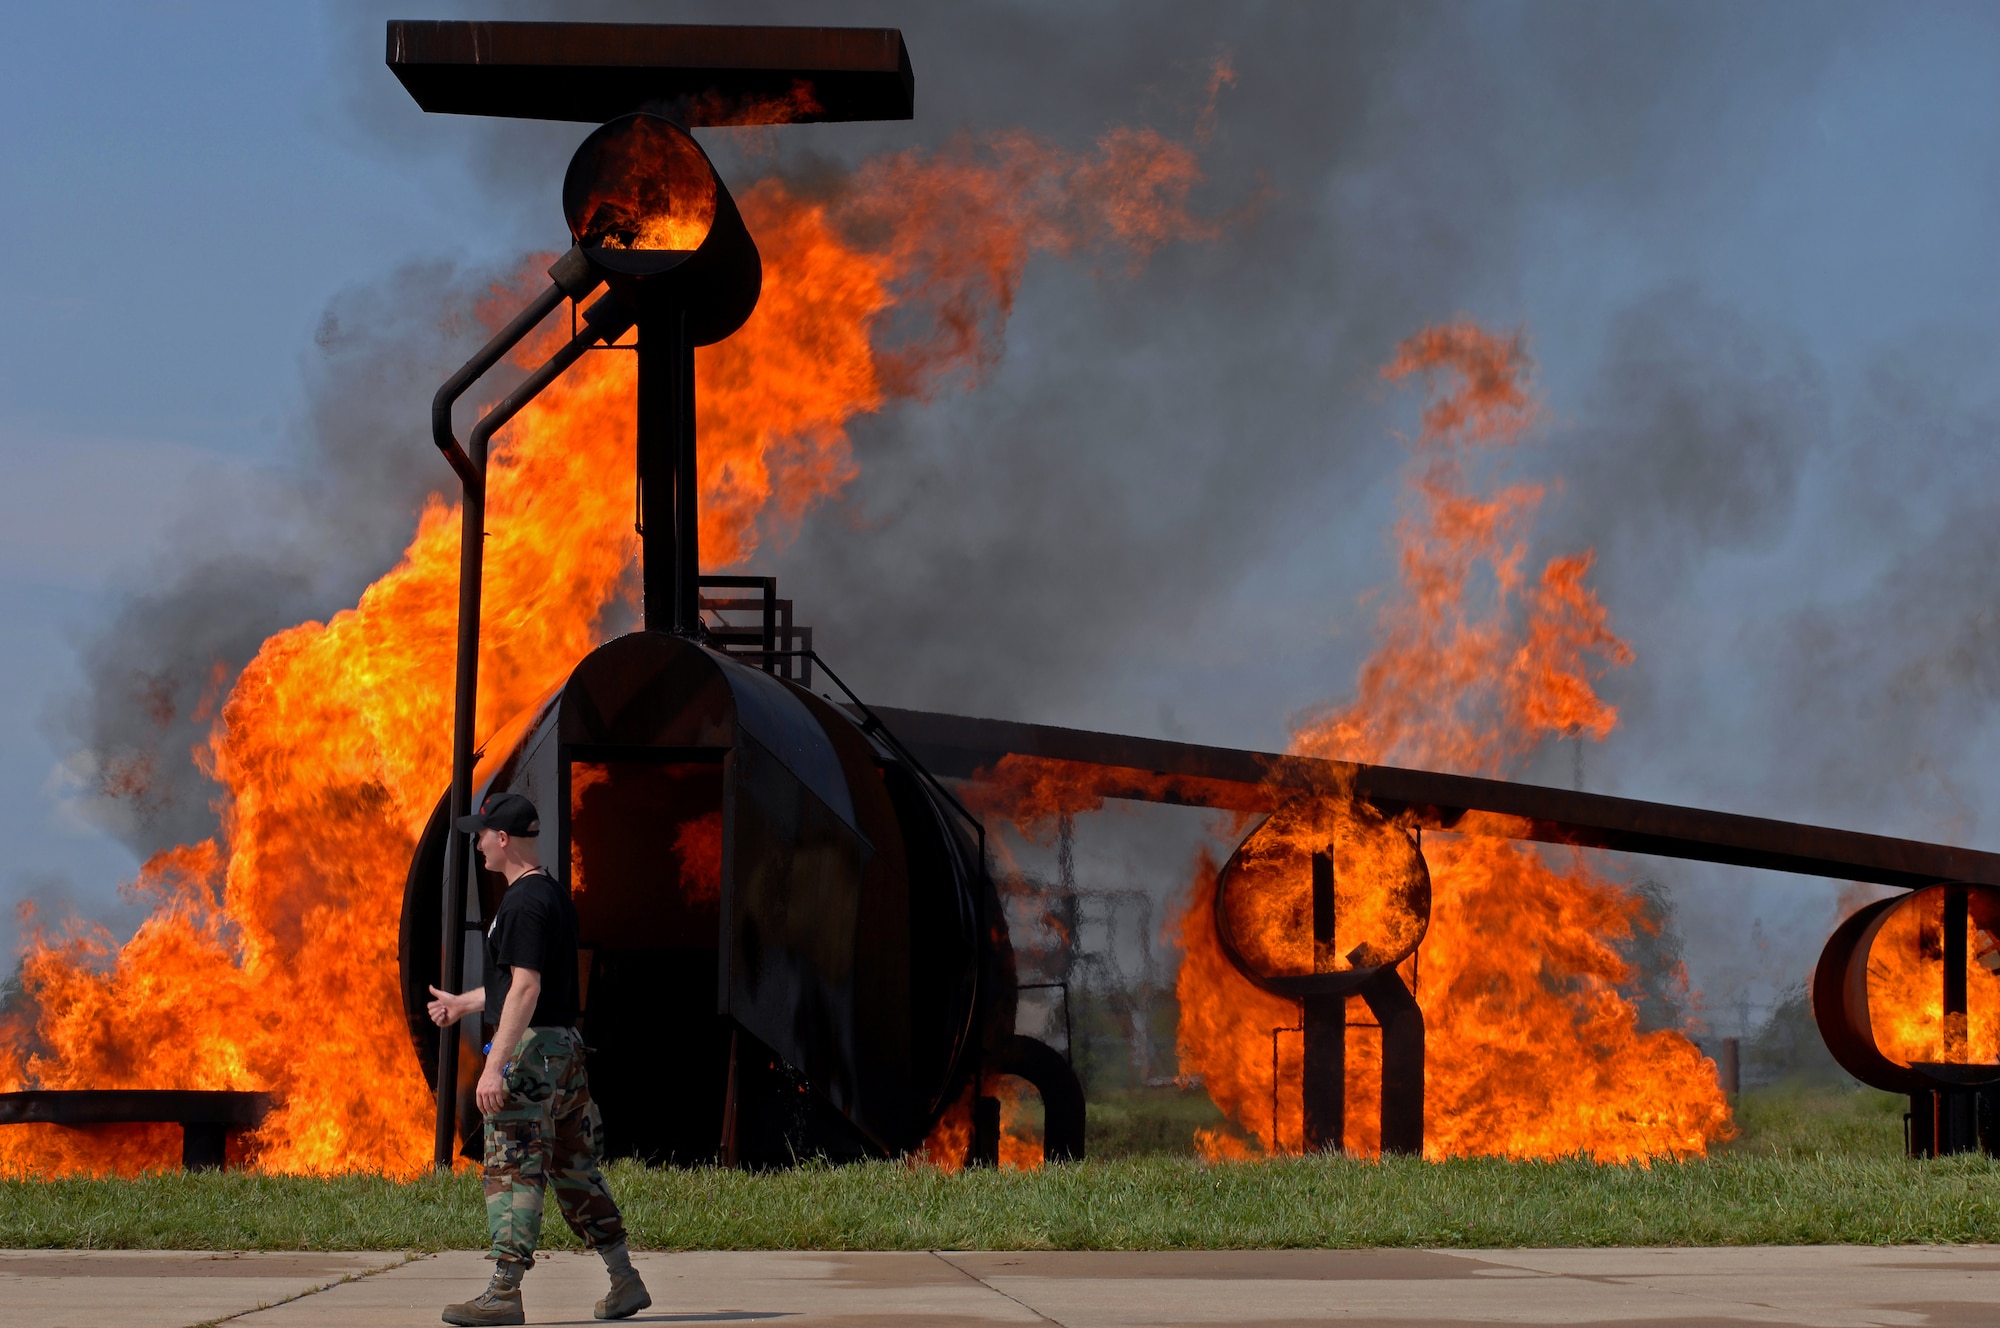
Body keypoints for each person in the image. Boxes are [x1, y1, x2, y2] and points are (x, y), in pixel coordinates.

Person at [426, 791, 650, 1326]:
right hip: (563, 1051)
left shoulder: (522, 903)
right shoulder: (550, 894)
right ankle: (624, 1278)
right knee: (574, 1168)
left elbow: (525, 989)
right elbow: (524, 985)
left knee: (513, 1168)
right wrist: (464, 1004)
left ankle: (504, 1293)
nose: (478, 844)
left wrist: (494, 1066)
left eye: (482, 835)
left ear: (504, 839)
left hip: (532, 1058)